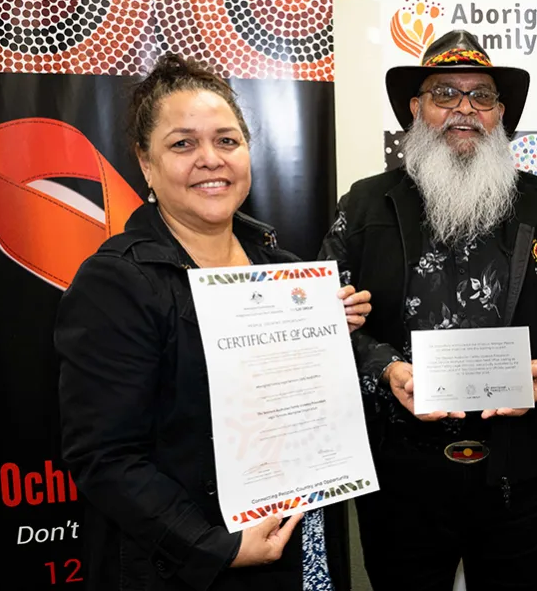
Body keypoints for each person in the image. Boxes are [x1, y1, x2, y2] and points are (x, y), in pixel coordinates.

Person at [56, 54, 371, 591]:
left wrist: (331, 341)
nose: (210, 159)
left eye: (227, 141)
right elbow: (106, 459)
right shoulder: (117, 283)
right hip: (194, 564)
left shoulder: (286, 271)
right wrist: (217, 548)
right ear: (146, 163)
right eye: (183, 144)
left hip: (304, 546)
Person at [320, 29, 537, 591]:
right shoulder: (362, 205)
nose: (464, 110)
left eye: (481, 96)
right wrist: (384, 367)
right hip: (399, 471)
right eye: (444, 93)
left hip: (520, 471)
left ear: (500, 113)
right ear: (416, 108)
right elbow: (323, 323)